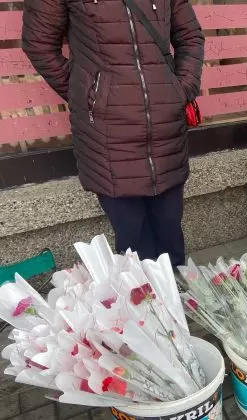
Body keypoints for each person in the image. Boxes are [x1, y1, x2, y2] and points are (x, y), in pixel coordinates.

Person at [22, 0, 205, 266]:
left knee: (171, 235)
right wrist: (90, 95)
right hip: (108, 135)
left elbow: (189, 36)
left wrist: (180, 89)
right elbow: (38, 44)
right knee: (134, 244)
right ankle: (143, 291)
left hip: (165, 130)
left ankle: (176, 288)